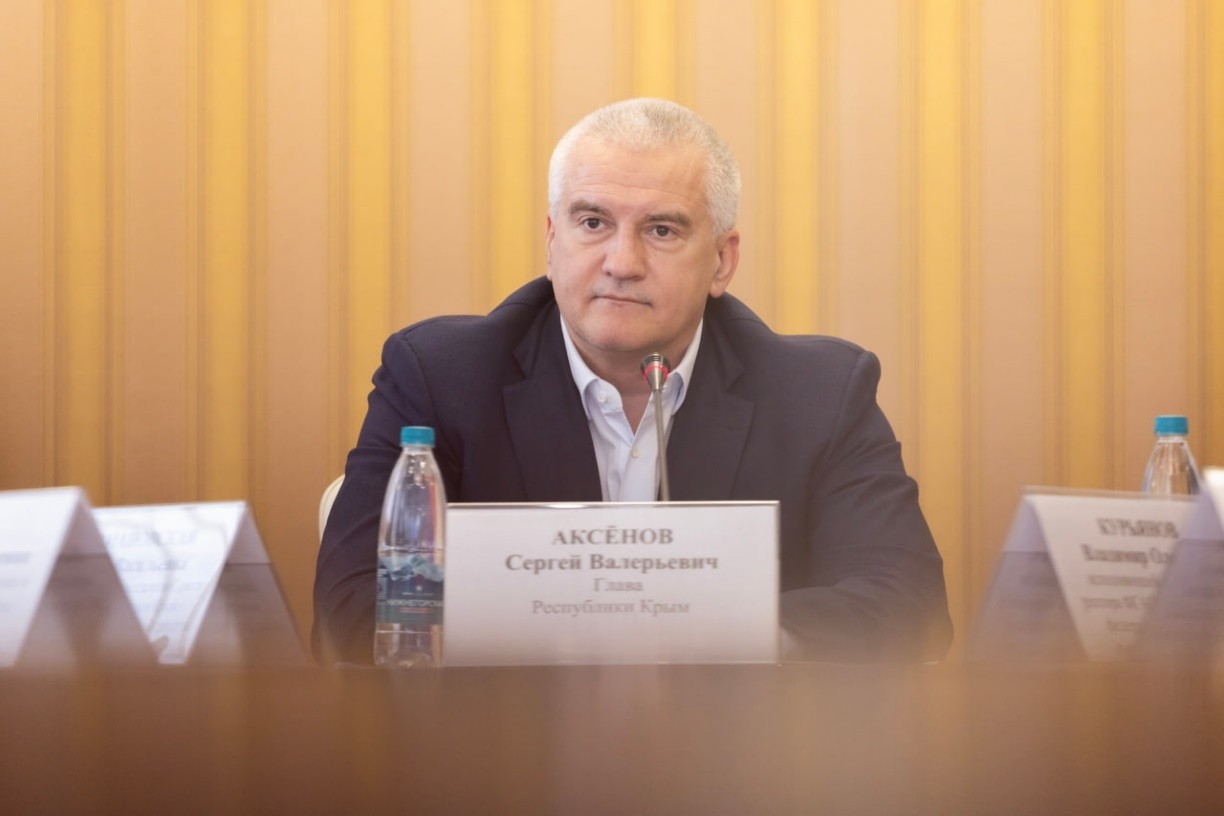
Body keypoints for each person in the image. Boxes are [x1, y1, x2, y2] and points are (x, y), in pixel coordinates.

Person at [313, 98, 952, 664]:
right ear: (552, 240)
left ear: (722, 260)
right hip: (504, 744)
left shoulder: (820, 392)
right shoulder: (441, 375)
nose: (622, 263)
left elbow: (910, 607)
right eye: (593, 223)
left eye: (662, 230)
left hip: (740, 747)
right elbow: (353, 608)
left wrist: (710, 635)